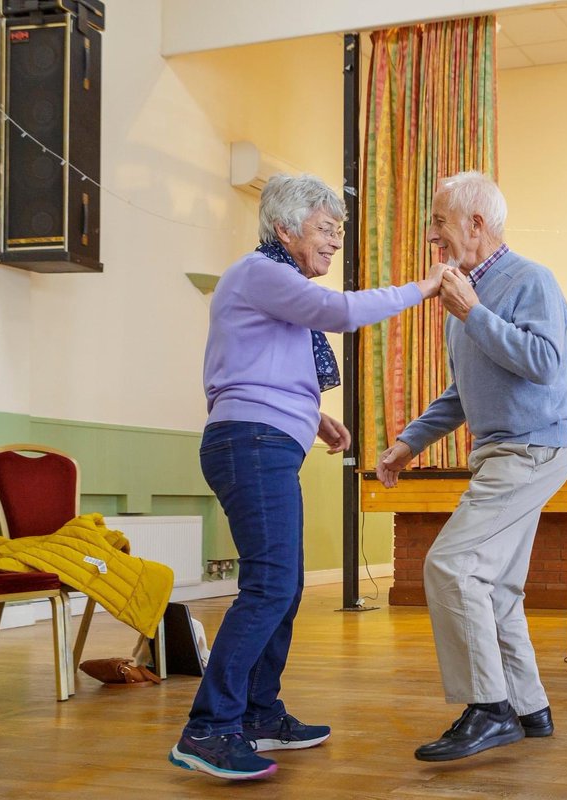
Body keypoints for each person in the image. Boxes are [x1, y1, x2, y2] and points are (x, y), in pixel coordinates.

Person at [170, 174, 448, 781]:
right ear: (285, 227)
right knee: (269, 586)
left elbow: (256, 367)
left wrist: (314, 417)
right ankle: (210, 728)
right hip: (251, 444)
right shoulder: (260, 272)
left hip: (262, 439)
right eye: (327, 229)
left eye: (339, 231)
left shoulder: (276, 285)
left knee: (284, 586)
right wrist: (424, 287)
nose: (335, 242)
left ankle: (260, 714)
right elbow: (341, 312)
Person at [374, 171, 567, 763]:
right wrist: (408, 442)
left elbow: (546, 364)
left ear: (476, 224)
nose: (431, 234)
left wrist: (473, 312)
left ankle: (488, 708)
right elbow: (464, 393)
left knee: (452, 565)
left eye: (439, 221)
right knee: (497, 588)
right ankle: (528, 706)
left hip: (532, 447)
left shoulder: (529, 281)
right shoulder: (461, 300)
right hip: (500, 449)